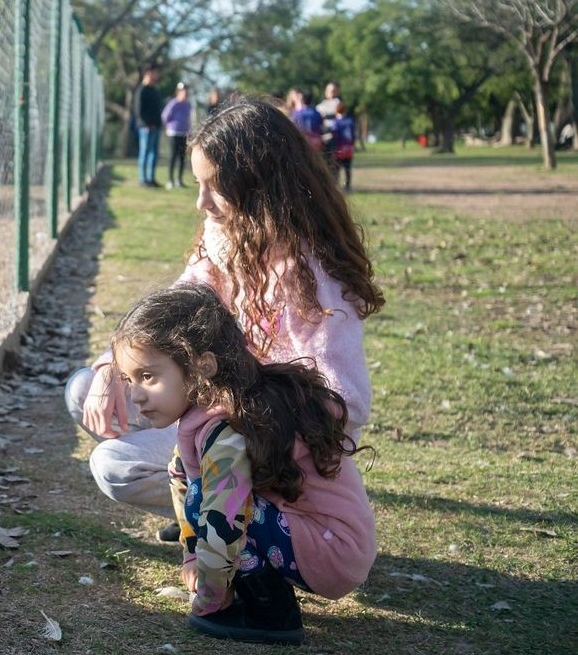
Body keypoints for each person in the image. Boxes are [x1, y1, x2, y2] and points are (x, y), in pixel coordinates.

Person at [65, 96, 384, 544]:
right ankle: (202, 506)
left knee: (114, 467)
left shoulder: (313, 276)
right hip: (214, 414)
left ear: (258, 184)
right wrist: (108, 368)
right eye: (198, 184)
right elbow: (168, 313)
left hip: (265, 438)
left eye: (214, 186)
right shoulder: (225, 243)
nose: (200, 202)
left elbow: (347, 402)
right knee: (85, 389)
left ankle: (233, 516)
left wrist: (241, 415)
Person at [109, 283, 376, 645]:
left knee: (211, 499)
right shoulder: (218, 410)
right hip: (327, 544)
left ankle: (271, 614)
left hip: (333, 551)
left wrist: (209, 600)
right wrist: (192, 558)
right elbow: (181, 477)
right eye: (129, 379)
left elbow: (223, 520)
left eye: (148, 376)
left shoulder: (226, 427)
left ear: (201, 367)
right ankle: (257, 593)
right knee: (192, 483)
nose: (136, 394)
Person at [136, 65, 164, 188]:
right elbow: (138, 110)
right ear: (148, 73)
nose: (156, 75)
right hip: (146, 128)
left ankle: (151, 178)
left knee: (153, 154)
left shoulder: (155, 90)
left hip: (156, 127)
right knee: (145, 152)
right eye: (155, 73)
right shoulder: (142, 90)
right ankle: (143, 179)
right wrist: (146, 124)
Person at [161, 83, 193, 189]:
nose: (185, 92)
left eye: (186, 90)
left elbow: (189, 119)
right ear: (178, 92)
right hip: (173, 133)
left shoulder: (188, 104)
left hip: (184, 133)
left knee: (182, 157)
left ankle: (179, 180)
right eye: (182, 90)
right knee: (173, 157)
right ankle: (170, 180)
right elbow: (165, 116)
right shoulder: (173, 103)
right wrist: (169, 126)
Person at [331, 102, 356, 191]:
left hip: (340, 148)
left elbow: (334, 135)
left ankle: (336, 184)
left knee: (337, 168)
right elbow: (353, 135)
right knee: (347, 168)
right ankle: (348, 185)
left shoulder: (336, 122)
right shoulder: (350, 121)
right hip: (348, 147)